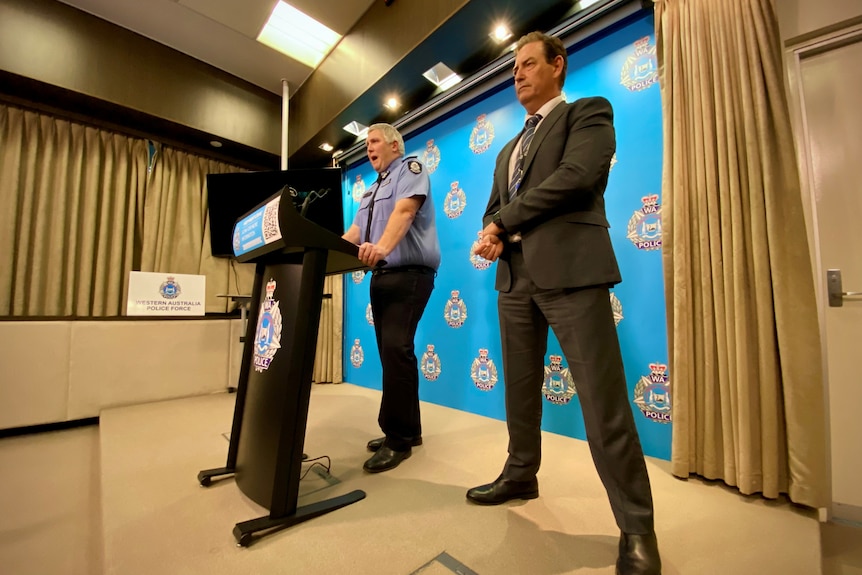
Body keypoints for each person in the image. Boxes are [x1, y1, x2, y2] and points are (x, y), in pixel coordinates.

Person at [470, 32, 661, 575]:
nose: (518, 75)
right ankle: (519, 473)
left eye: (529, 64)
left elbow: (578, 179)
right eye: (513, 69)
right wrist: (491, 231)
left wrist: (503, 222)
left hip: (573, 274)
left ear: (558, 65)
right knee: (520, 392)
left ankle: (636, 527)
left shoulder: (588, 112)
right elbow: (493, 208)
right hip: (515, 280)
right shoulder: (508, 149)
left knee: (604, 404)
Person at [342, 123, 441, 473]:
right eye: (366, 144)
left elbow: (405, 212)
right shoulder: (370, 191)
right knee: (393, 355)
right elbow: (354, 234)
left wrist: (382, 248)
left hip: (410, 275)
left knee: (397, 349)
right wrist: (324, 253)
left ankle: (397, 439)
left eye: (373, 141)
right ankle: (408, 430)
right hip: (382, 277)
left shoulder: (410, 168)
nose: (368, 148)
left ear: (394, 145)